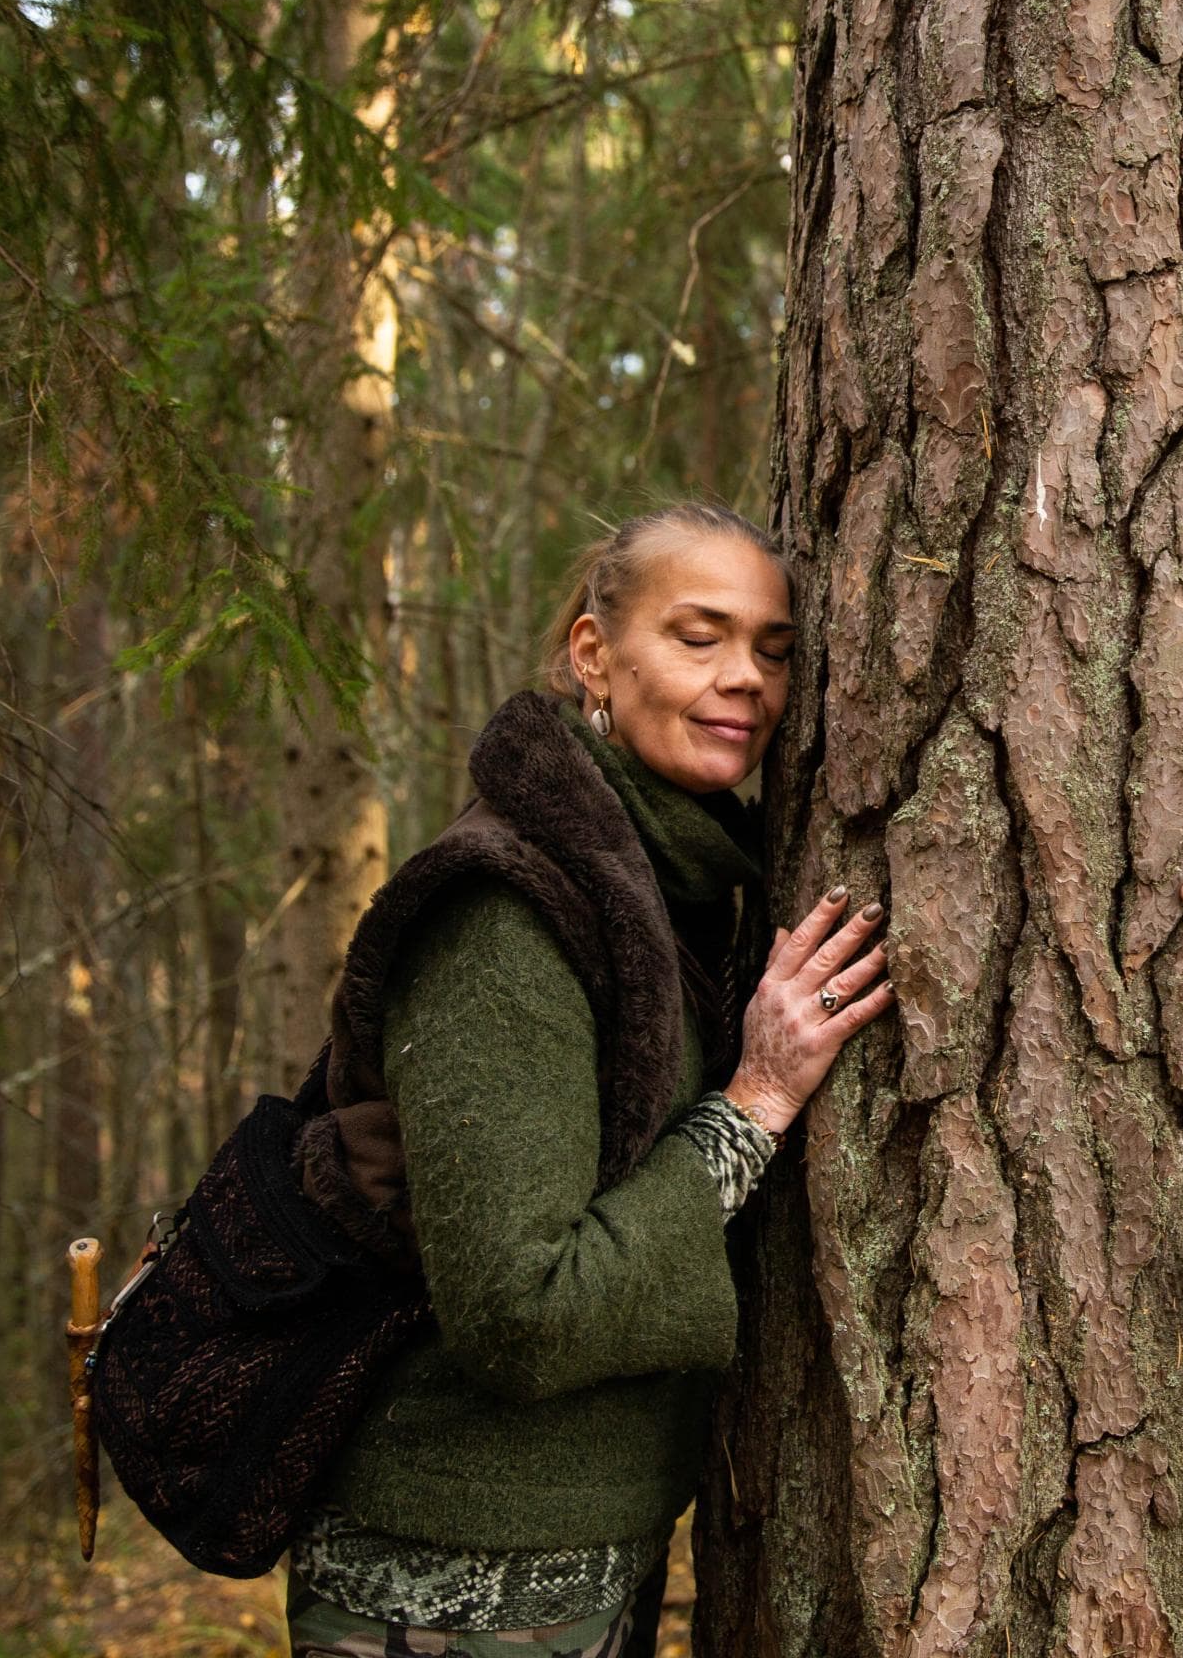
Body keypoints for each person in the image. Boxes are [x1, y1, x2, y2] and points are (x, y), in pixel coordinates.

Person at [283, 502, 891, 1658]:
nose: (747, 680)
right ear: (592, 652)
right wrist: (755, 1102)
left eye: (774, 647)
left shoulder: (677, 878)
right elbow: (521, 1307)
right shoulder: (505, 914)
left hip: (576, 1561)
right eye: (698, 635)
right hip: (442, 1585)